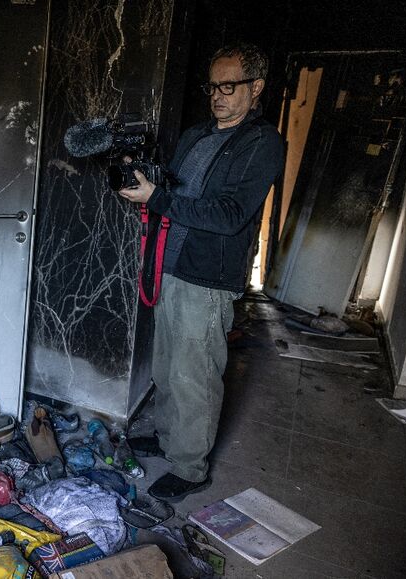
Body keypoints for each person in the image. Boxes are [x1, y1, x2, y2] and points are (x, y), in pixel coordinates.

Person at [117, 44, 285, 501]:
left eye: (229, 86)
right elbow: (171, 187)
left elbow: (231, 214)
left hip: (206, 277)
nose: (218, 95)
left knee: (197, 375)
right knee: (169, 366)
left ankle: (191, 468)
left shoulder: (262, 143)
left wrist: (158, 198)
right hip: (168, 264)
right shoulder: (196, 135)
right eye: (213, 86)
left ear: (256, 88)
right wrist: (141, 178)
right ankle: (172, 438)